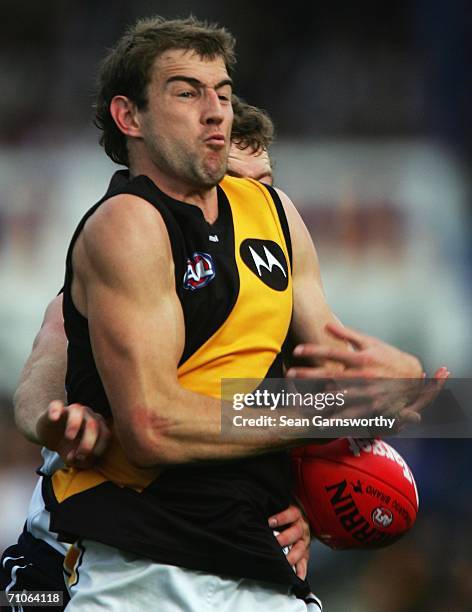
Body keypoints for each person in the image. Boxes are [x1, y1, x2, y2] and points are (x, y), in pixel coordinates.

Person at [4, 15, 445, 611]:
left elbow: (342, 384)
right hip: (125, 558)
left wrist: (402, 385)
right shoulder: (127, 228)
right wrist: (48, 422)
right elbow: (113, 402)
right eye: (188, 93)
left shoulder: (276, 218)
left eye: (225, 95)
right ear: (130, 118)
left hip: (256, 560)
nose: (215, 112)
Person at [0, 97, 311, 611]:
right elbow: (47, 360)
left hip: (228, 561)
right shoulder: (134, 257)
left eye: (266, 184)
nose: (252, 200)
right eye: (235, 183)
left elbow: (293, 410)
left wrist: (307, 505)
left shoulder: (277, 283)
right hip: (84, 554)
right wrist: (51, 420)